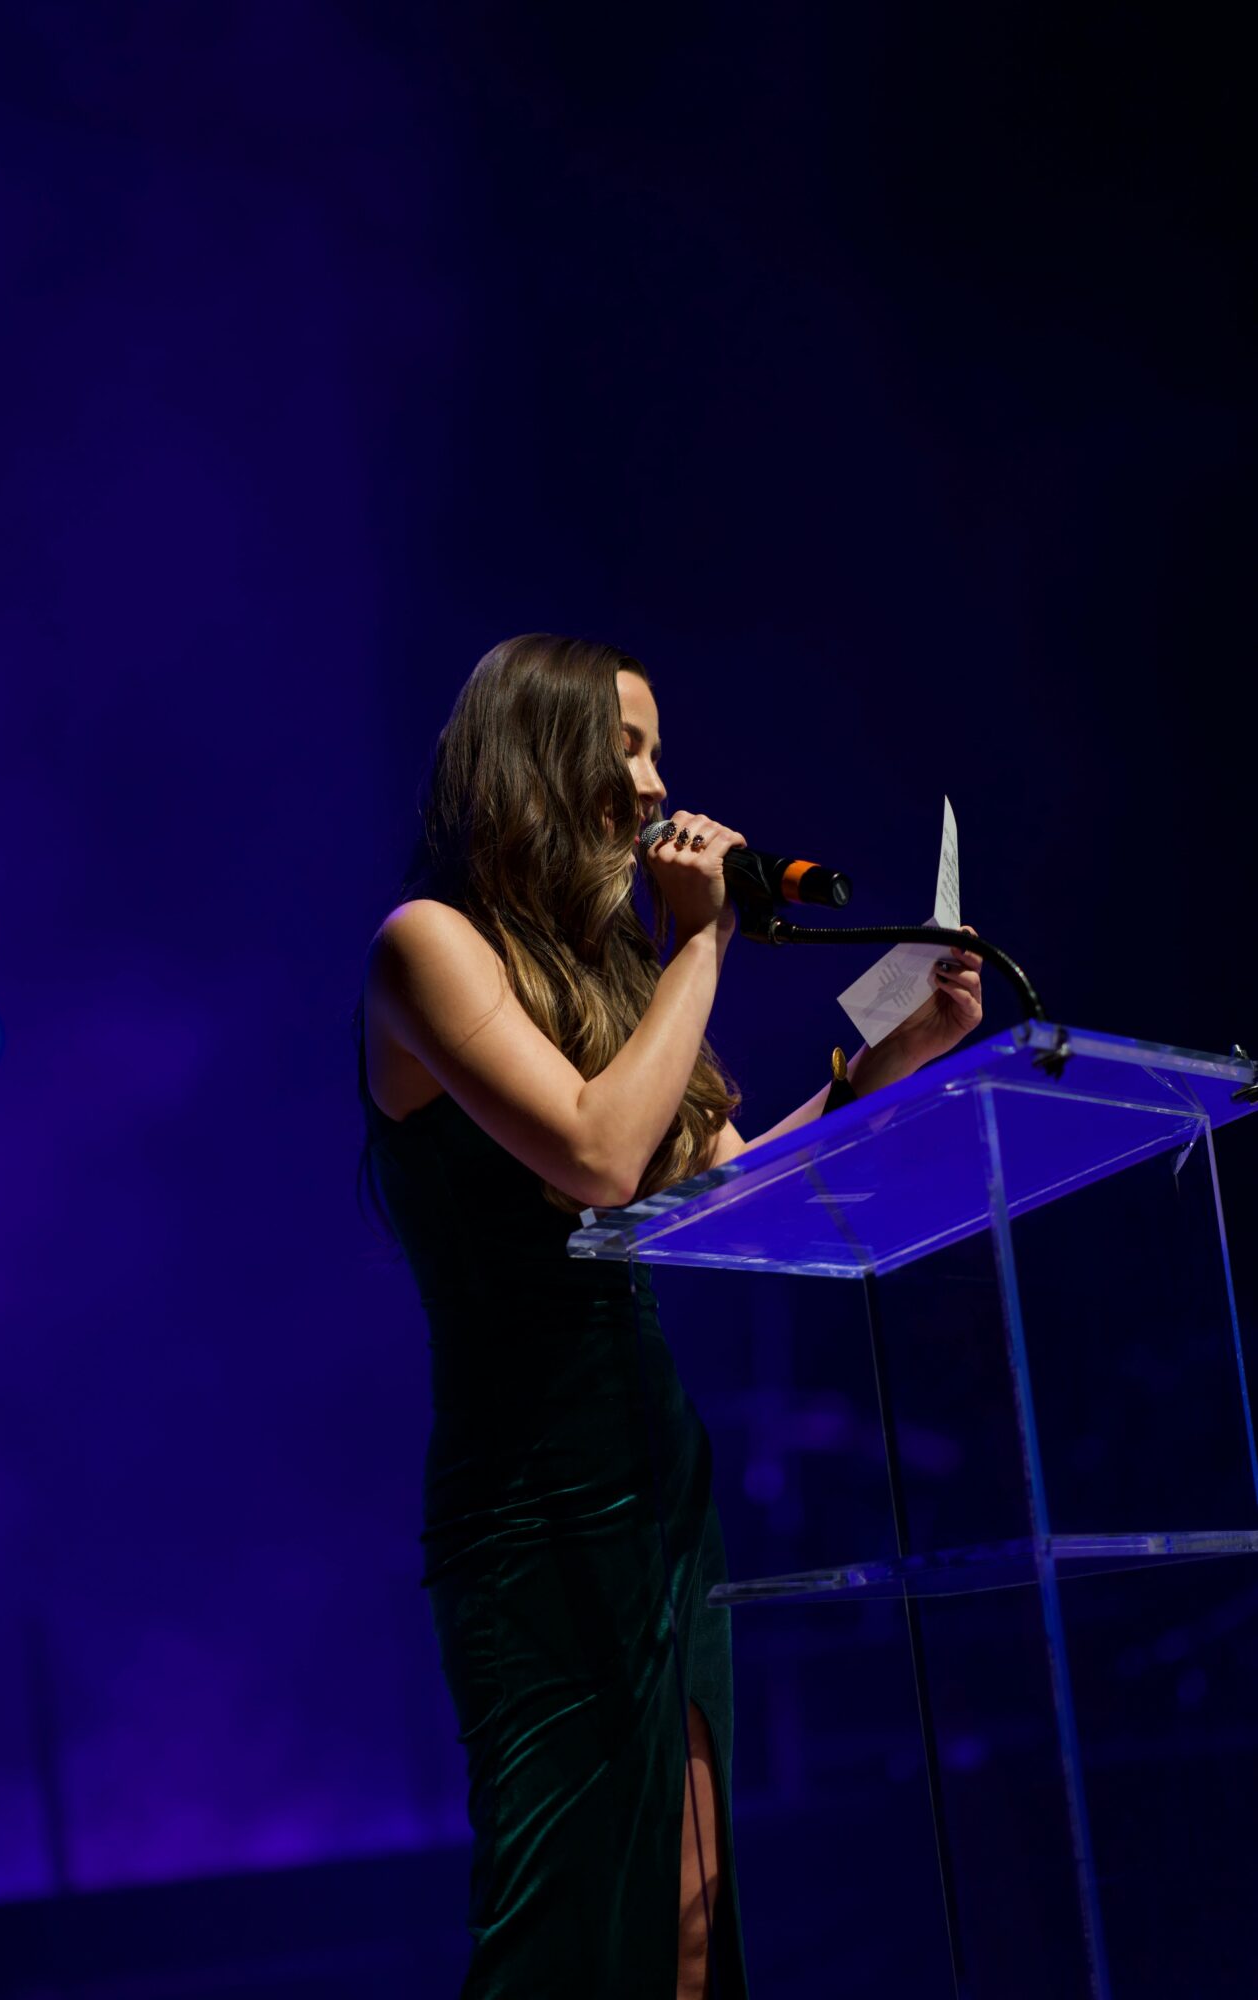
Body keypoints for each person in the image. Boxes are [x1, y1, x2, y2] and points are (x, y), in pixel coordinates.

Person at [355, 634, 982, 1999]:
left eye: (655, 752)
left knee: (687, 1928)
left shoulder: (608, 984)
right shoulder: (428, 949)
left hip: (654, 1483)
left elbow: (730, 1189)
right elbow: (591, 1156)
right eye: (628, 748)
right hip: (532, 1508)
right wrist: (699, 942)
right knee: (566, 1919)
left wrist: (893, 1059)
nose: (656, 789)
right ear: (540, 762)